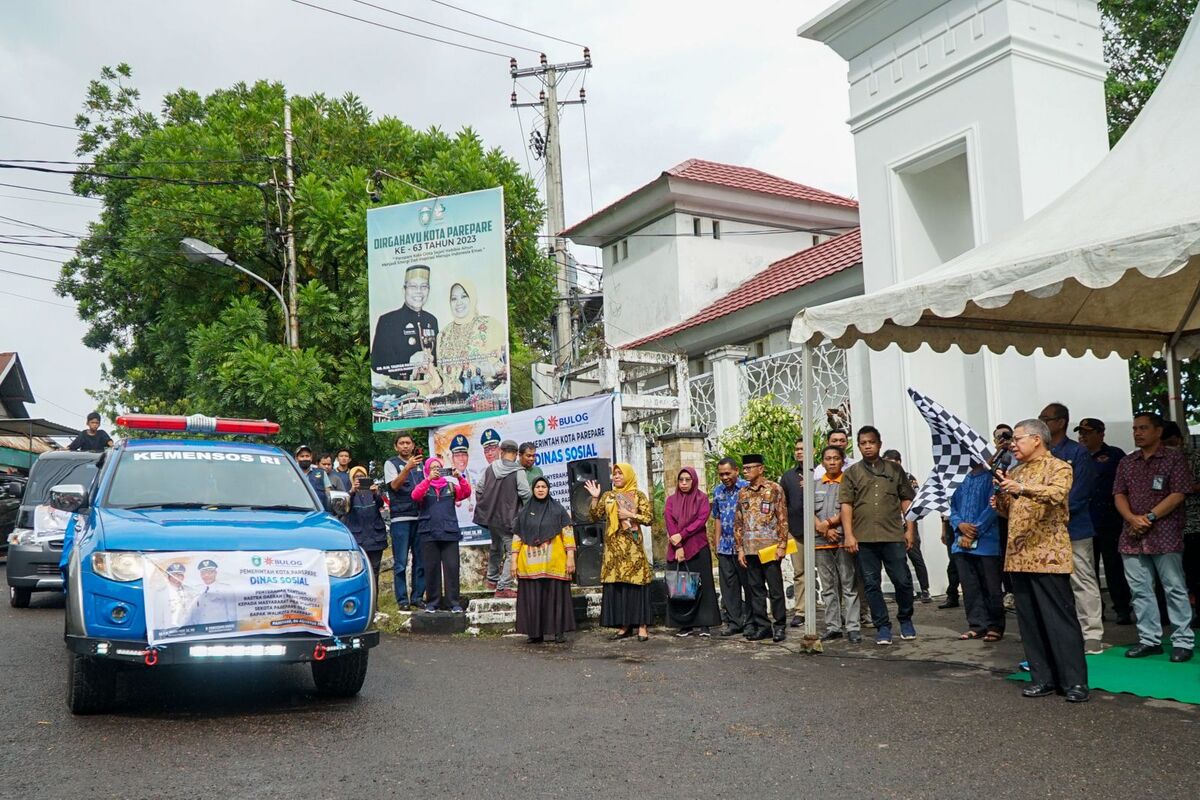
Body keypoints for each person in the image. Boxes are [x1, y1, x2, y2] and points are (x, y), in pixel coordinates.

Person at [993, 417, 1088, 702]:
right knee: (1030, 622)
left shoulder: (1059, 466)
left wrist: (1020, 489)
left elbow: (1057, 495)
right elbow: (1010, 513)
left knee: (1059, 620)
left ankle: (1074, 682)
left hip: (1048, 556)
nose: (1013, 444)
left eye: (1018, 439)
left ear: (1037, 439)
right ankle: (1042, 677)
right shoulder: (1016, 470)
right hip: (1019, 557)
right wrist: (1001, 500)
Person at [1113, 412, 1194, 663]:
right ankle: (1149, 640)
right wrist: (1131, 518)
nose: (1137, 432)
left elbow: (1179, 493)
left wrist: (1147, 518)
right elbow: (1118, 494)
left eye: (1144, 428)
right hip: (1132, 535)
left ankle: (1183, 640)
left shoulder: (1174, 458)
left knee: (1174, 588)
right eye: (1135, 428)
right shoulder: (1127, 462)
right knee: (1140, 590)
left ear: (1158, 431)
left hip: (1165, 534)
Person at [840, 426, 918, 646]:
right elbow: (846, 505)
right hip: (864, 538)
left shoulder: (894, 470)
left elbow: (906, 500)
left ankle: (905, 618)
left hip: (893, 535)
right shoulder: (852, 473)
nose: (867, 446)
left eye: (871, 442)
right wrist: (849, 535)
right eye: (863, 443)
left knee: (902, 581)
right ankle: (882, 626)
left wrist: (909, 529)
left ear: (879, 444)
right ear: (858, 446)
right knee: (872, 585)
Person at [1040, 403, 1104, 654]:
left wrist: (1054, 513)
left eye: (1045, 418)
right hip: (1045, 531)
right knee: (1053, 584)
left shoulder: (1077, 452)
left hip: (1074, 527)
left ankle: (1092, 634)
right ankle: (1063, 632)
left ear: (1061, 422)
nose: (1042, 422)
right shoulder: (1041, 453)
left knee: (1083, 580)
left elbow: (1080, 491)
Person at [586, 463, 654, 641]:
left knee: (636, 586)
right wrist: (595, 498)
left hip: (632, 549)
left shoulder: (638, 496)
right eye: (614, 474)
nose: (616, 476)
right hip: (614, 550)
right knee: (619, 586)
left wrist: (630, 515)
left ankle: (641, 626)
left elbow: (648, 518)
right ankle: (624, 625)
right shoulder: (608, 496)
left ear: (628, 475)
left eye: (620, 473)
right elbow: (594, 517)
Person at [1075, 418, 1132, 624]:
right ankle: (1095, 611)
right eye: (1081, 432)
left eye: (1088, 432)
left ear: (1101, 433)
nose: (1083, 436)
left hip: (1110, 520)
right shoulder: (1077, 455)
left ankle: (1122, 608)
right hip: (1084, 521)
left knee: (1114, 567)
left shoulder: (1115, 455)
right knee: (1087, 570)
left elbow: (1127, 485)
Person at [513, 476, 577, 643]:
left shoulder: (558, 510)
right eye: (537, 487)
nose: (541, 489)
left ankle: (558, 632)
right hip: (530, 565)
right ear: (533, 490)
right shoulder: (524, 513)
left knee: (556, 599)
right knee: (533, 599)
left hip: (554, 563)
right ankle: (535, 633)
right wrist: (513, 561)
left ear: (548, 489)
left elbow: (568, 534)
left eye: (544, 486)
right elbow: (517, 537)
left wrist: (570, 557)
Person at [735, 453, 790, 643]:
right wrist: (740, 549)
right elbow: (739, 522)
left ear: (761, 469)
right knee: (756, 590)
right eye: (745, 469)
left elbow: (782, 518)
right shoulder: (743, 492)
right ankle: (762, 626)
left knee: (775, 590)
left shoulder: (774, 489)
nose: (746, 472)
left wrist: (782, 544)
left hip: (770, 548)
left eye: (750, 468)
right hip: (750, 549)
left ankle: (780, 625)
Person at [949, 463, 1005, 641]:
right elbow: (950, 506)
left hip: (986, 541)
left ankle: (995, 625)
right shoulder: (958, 478)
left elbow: (994, 506)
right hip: (961, 540)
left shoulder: (993, 477)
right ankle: (977, 625)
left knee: (991, 586)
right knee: (969, 586)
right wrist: (959, 524)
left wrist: (974, 530)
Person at [664, 467, 721, 636]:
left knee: (704, 586)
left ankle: (705, 624)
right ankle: (685, 624)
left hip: (698, 546)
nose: (683, 483)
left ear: (693, 480)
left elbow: (700, 521)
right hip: (677, 548)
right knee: (682, 587)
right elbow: (669, 521)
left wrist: (682, 535)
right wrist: (678, 546)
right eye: (681, 480)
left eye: (687, 480)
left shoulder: (702, 498)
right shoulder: (671, 500)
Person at [813, 446, 861, 643]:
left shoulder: (849, 483)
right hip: (821, 541)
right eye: (828, 459)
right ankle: (833, 626)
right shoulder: (814, 485)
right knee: (828, 587)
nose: (832, 462)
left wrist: (830, 524)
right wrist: (822, 527)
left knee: (848, 584)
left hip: (842, 540)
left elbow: (850, 509)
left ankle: (853, 627)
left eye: (835, 458)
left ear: (843, 461)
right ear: (822, 462)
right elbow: (808, 510)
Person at [411, 457, 471, 613]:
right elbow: (415, 496)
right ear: (427, 470)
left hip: (449, 533)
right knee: (431, 568)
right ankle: (433, 602)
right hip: (428, 533)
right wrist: (428, 480)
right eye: (433, 468)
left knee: (452, 568)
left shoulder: (451, 486)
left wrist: (459, 477)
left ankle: (454, 603)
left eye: (439, 467)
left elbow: (466, 492)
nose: (437, 470)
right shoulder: (424, 486)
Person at [474, 439, 531, 599]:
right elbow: (525, 493)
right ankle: (503, 586)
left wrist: (486, 505)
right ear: (516, 453)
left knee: (496, 548)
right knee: (513, 551)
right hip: (509, 519)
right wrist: (529, 512)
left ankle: (491, 580)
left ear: (501, 450)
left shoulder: (491, 468)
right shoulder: (518, 471)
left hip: (491, 517)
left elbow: (479, 489)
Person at [370, 264, 439, 381]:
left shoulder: (431, 320)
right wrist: (409, 362)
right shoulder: (388, 321)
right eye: (413, 286)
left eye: (424, 286)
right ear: (404, 290)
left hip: (430, 388)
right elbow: (377, 363)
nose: (419, 292)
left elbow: (437, 358)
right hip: (400, 390)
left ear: (429, 290)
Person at [883, 449, 932, 603]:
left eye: (893, 462)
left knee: (915, 555)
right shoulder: (883, 478)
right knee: (899, 559)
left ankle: (925, 589)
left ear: (899, 462)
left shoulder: (908, 478)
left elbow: (916, 498)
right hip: (892, 524)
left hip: (908, 522)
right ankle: (907, 590)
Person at [437, 279, 505, 389]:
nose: (459, 302)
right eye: (454, 298)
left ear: (472, 298)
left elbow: (501, 366)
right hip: (449, 400)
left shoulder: (491, 326)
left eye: (464, 296)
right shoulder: (443, 334)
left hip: (482, 400)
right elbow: (441, 374)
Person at [384, 432, 425, 609]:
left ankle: (417, 597)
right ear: (396, 446)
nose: (405, 446)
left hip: (421, 517)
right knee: (400, 562)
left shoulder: (422, 464)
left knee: (420, 560)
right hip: (400, 518)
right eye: (401, 443)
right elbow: (394, 485)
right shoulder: (390, 463)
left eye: (408, 443)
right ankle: (402, 600)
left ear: (413, 445)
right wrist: (407, 468)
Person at [711, 457, 750, 637]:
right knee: (729, 587)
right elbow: (717, 518)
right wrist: (717, 542)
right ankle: (735, 622)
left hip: (744, 546)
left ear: (736, 470)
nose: (725, 477)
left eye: (728, 473)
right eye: (721, 474)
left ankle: (751, 622)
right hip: (725, 547)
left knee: (749, 586)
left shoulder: (746, 488)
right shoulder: (718, 491)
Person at [779, 438, 809, 628]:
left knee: (833, 573)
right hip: (797, 532)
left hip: (823, 531)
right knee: (800, 573)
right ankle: (801, 611)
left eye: (803, 449)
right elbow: (783, 506)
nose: (799, 452)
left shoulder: (821, 473)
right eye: (797, 449)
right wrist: (786, 532)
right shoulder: (788, 476)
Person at [345, 466, 387, 585]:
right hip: (357, 539)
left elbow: (381, 504)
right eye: (356, 477)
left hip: (376, 538)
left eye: (362, 476)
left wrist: (375, 493)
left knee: (374, 572)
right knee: (358, 572)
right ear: (351, 479)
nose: (359, 479)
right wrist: (352, 492)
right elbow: (343, 508)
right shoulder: (349, 494)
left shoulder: (374, 491)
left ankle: (374, 601)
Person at [191, 559, 236, 627]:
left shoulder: (226, 588)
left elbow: (232, 614)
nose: (206, 576)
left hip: (220, 629)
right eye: (203, 573)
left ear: (215, 573)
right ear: (200, 575)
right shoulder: (195, 589)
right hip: (200, 630)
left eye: (210, 572)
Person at [295, 446, 331, 511]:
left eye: (307, 456)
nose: (305, 458)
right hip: (296, 510)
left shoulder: (321, 473)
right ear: (296, 458)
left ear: (311, 458)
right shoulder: (291, 473)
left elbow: (328, 495)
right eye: (302, 456)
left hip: (317, 512)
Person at [449, 434, 476, 514]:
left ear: (468, 456)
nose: (461, 459)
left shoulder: (475, 475)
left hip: (476, 520)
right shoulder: (448, 480)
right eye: (457, 455)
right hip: (458, 521)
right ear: (452, 459)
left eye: (464, 455)